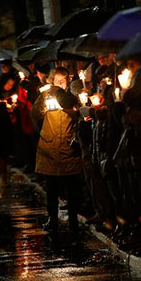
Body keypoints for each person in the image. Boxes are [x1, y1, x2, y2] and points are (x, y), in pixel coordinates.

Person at [31, 67, 85, 234]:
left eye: (64, 80)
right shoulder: (46, 95)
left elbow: (77, 112)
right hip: (50, 148)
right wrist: (43, 101)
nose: (61, 83)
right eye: (58, 81)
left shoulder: (73, 95)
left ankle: (73, 221)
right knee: (52, 189)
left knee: (72, 189)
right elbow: (35, 113)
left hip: (69, 147)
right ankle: (52, 219)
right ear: (52, 81)